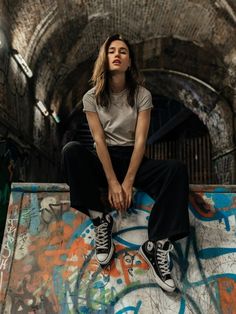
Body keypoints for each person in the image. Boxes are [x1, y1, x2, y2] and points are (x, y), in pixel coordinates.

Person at [61, 34, 190, 293]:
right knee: (72, 150)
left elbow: (141, 141)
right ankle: (101, 222)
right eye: (111, 51)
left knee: (176, 170)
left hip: (135, 159)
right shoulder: (91, 97)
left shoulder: (142, 95)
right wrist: (112, 182)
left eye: (122, 51)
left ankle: (156, 245)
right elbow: (98, 140)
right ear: (105, 58)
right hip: (105, 160)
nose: (117, 54)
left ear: (129, 61)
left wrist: (128, 182)